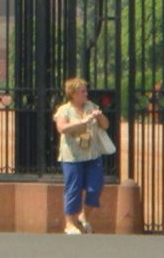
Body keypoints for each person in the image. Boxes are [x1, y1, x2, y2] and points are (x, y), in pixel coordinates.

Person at [52, 77, 109, 234]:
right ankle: (69, 223)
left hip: (92, 154)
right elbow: (62, 128)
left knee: (95, 187)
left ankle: (83, 217)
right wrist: (83, 122)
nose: (86, 93)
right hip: (72, 156)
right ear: (73, 94)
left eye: (85, 90)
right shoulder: (65, 110)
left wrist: (99, 116)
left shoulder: (91, 106)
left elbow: (105, 125)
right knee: (73, 188)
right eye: (82, 91)